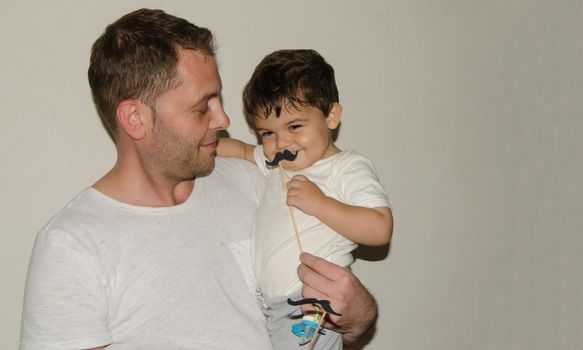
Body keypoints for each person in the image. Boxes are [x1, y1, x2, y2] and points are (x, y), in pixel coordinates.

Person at [19, 9, 378, 350]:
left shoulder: (256, 181)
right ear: (135, 118)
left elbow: (310, 330)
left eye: (218, 98)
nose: (223, 118)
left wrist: (358, 315)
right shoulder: (72, 246)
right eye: (201, 106)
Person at [217, 49, 393, 349]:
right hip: (270, 306)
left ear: (331, 116)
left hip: (313, 302)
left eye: (294, 126)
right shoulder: (276, 163)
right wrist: (205, 145)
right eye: (267, 133)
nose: (281, 142)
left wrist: (321, 204)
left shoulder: (346, 167)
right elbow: (244, 151)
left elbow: (380, 229)